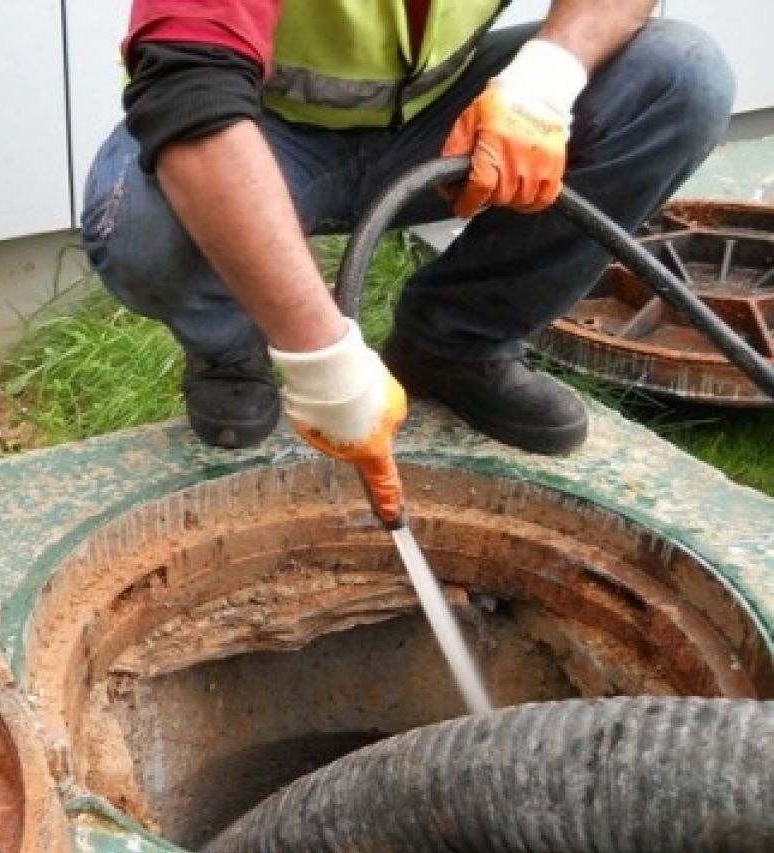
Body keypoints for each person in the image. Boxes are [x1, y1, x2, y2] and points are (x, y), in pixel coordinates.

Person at [80, 1, 734, 506]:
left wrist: (544, 83)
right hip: (261, 128)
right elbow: (188, 94)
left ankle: (454, 346)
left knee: (680, 78)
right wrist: (325, 362)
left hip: (435, 116)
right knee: (140, 223)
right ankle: (231, 354)